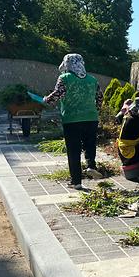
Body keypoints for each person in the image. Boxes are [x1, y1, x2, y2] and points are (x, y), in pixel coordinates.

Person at [44, 53, 103, 190]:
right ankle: (91, 166)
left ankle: (76, 181)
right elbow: (100, 97)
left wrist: (46, 99)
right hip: (91, 118)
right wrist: (95, 110)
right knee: (90, 144)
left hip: (72, 119)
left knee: (74, 150)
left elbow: (57, 94)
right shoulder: (92, 79)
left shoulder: (64, 78)